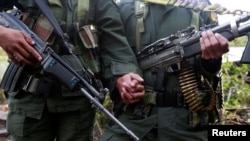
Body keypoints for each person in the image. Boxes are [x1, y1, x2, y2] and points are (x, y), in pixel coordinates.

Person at [0, 0, 144, 140]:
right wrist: (2, 34)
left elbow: (113, 38)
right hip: (29, 98)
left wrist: (124, 73)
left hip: (78, 100)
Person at [100, 0, 229, 141]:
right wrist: (119, 78)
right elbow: (109, 54)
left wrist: (211, 59)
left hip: (187, 123)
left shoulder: (200, 7)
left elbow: (209, 70)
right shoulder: (124, 8)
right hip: (134, 121)